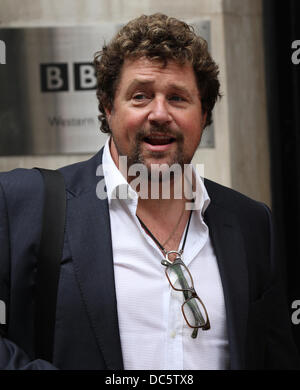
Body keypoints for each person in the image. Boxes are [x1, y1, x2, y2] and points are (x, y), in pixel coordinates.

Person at [0, 13, 299, 370]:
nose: (159, 114)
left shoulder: (251, 223)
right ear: (109, 108)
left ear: (204, 115)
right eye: (140, 96)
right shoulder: (24, 202)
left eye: (178, 98)